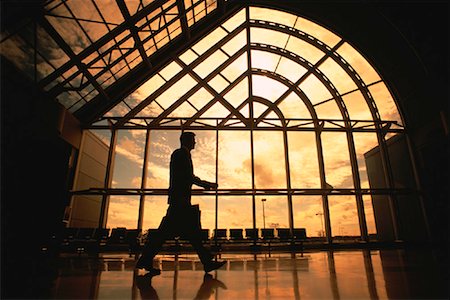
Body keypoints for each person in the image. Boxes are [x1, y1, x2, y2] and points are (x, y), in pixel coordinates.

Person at [136, 132, 226, 273]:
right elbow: (188, 177)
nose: (195, 143)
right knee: (176, 234)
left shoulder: (181, 154)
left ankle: (145, 261)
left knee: (184, 234)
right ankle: (207, 262)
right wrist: (207, 184)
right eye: (194, 140)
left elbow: (186, 177)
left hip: (180, 201)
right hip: (180, 202)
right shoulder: (180, 154)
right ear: (188, 141)